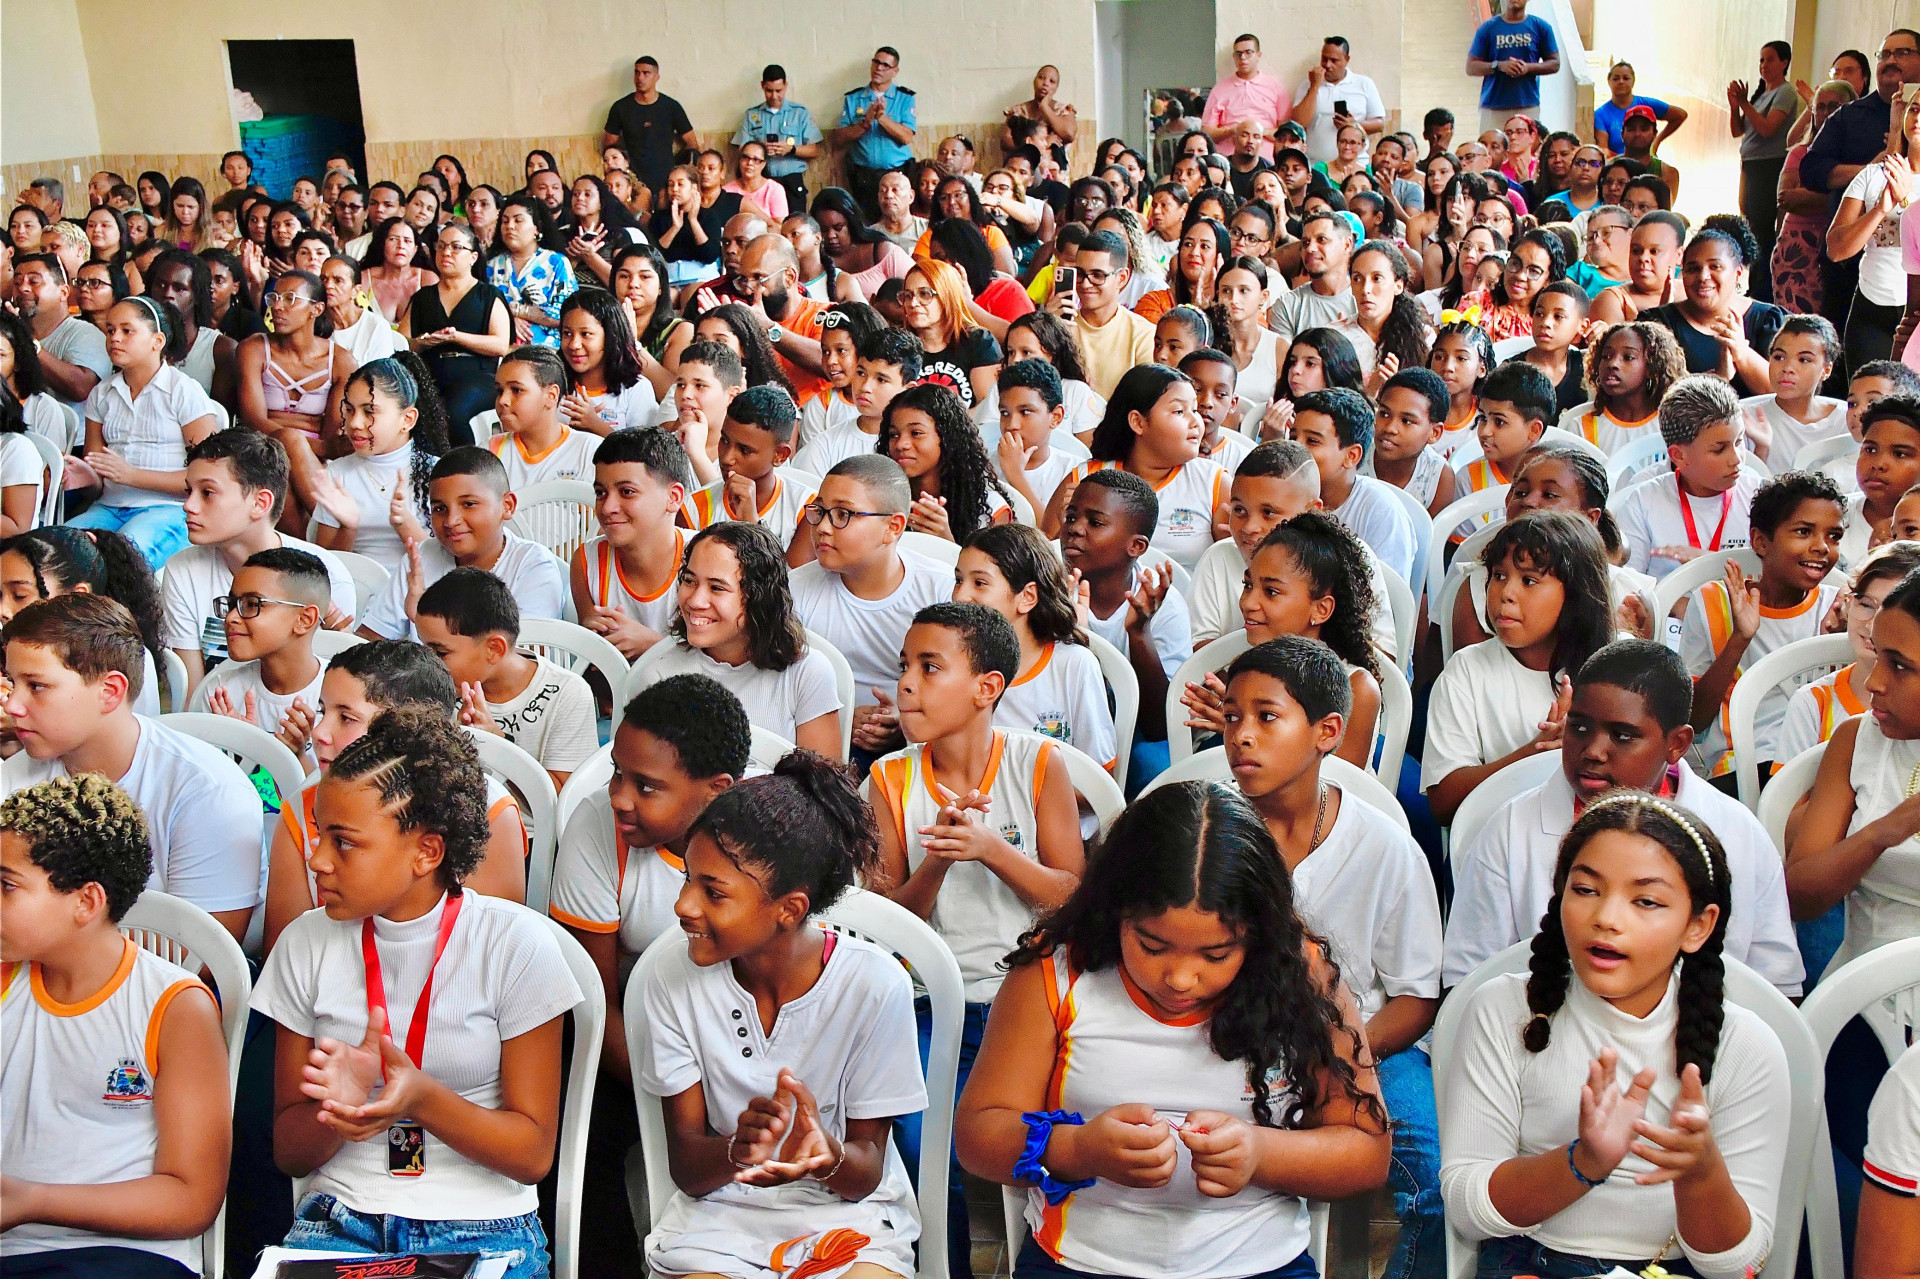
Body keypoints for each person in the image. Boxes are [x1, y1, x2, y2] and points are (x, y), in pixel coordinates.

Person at [955, 777, 1389, 1279]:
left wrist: (1262, 1153)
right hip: (1081, 1262)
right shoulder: (1055, 973)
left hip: (1257, 1262)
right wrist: (1077, 1149)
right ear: (1115, 910)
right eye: (1153, 946)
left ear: (1257, 935)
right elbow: (978, 1136)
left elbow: (1366, 1151)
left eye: (1217, 954)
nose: (1181, 978)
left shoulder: (1301, 974)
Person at [253, 705, 578, 1278]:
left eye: (345, 842)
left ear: (427, 852)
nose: (317, 859)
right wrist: (337, 1112)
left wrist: (420, 1099)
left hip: (484, 1227)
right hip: (341, 1220)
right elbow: (288, 1151)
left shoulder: (514, 943)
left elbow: (531, 1156)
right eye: (318, 833)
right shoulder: (306, 943)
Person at [1439, 793, 1791, 1279]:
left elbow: (1740, 1266)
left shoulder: (1746, 1047)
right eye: (1585, 890)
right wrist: (1584, 1162)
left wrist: (1701, 1172)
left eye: (1646, 901)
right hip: (1531, 1260)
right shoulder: (1504, 1012)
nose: (1606, 917)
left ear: (1697, 925)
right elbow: (1466, 1207)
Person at [635, 746, 928, 1279]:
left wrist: (823, 1155)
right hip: (717, 1221)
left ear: (788, 909)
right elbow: (688, 1168)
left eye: (714, 892)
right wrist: (738, 1148)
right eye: (686, 878)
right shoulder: (669, 978)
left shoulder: (874, 984)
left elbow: (864, 1174)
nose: (684, 906)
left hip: (848, 1220)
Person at [1212, 637, 1442, 1277]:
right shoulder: (1206, 835)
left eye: (1266, 716)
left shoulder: (1384, 847)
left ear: (1328, 732)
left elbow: (1417, 998)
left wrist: (1342, 1054)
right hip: (1225, 1040)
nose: (1241, 737)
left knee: (1434, 1177)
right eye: (1231, 717)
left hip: (1367, 1044)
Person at [870, 600, 1085, 1274]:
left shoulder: (1038, 764)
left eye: (930, 667)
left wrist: (992, 848)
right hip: (934, 1002)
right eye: (905, 665)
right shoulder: (889, 779)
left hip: (1033, 1007)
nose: (907, 682)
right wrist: (938, 854)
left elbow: (1074, 897)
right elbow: (888, 922)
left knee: (1063, 1132)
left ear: (987, 686)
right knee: (919, 1139)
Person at [1445, 637, 1803, 993]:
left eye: (1622, 736)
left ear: (1676, 744)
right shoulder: (1509, 831)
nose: (1594, 751)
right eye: (1580, 727)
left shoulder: (1738, 832)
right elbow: (1467, 980)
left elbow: (1775, 988)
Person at [0, 773, 231, 1279]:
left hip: (125, 1256)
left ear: (86, 902)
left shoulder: (174, 1007)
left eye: (6, 886)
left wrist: (30, 1201)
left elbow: (191, 1199)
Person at [2, 592, 264, 941]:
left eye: (36, 686)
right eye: (11, 682)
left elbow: (202, 956)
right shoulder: (15, 775)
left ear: (110, 691)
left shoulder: (209, 790)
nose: (13, 705)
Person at [1422, 511, 1615, 824]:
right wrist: (1535, 754)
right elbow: (1443, 801)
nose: (1506, 594)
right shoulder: (1468, 670)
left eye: (1529, 581)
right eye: (1499, 575)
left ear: (1575, 595)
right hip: (1496, 840)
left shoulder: (1610, 671)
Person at [1677, 470, 1845, 784]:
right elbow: (1695, 719)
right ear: (1760, 541)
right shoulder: (1714, 602)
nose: (1823, 547)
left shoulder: (1840, 607)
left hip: (1821, 763)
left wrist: (1842, 639)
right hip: (1741, 764)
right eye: (1804, 531)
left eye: (1834, 536)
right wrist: (1740, 638)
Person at [790, 455, 954, 765]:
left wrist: (903, 716)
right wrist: (839, 718)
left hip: (921, 744)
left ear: (892, 527)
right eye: (820, 511)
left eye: (843, 514)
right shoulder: (795, 592)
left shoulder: (940, 591)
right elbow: (782, 687)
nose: (823, 527)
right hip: (823, 739)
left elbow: (956, 687)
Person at [167, 429, 353, 685]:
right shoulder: (182, 569)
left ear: (260, 503)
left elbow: (324, 692)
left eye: (207, 493)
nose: (188, 505)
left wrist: (337, 640)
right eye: (189, 492)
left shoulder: (322, 574)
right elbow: (192, 690)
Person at [414, 567, 596, 793]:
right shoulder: (436, 687)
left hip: (532, 827)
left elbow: (564, 799)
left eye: (441, 653)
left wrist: (497, 745)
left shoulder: (567, 694)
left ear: (494, 649)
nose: (429, 662)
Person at [67, 297, 218, 569]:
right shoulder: (102, 393)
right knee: (53, 547)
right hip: (109, 507)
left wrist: (132, 476)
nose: (115, 338)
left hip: (170, 509)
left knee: (124, 558)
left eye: (127, 331)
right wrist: (88, 477)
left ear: (157, 341)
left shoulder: (183, 390)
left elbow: (210, 476)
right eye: (111, 330)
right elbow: (99, 476)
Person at [356, 447, 566, 642]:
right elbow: (369, 640)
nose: (451, 520)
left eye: (468, 504)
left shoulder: (532, 566)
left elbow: (518, 658)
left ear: (507, 506)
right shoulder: (420, 558)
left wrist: (423, 622)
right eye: (440, 508)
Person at [1044, 364, 1225, 573]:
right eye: (1179, 411)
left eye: (1194, 410)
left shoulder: (1214, 483)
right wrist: (1067, 525)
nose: (1196, 421)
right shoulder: (1084, 480)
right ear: (1138, 422)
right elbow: (1047, 561)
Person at [307, 355, 447, 583]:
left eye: (369, 411)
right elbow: (325, 567)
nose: (354, 423)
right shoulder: (339, 474)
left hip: (421, 593)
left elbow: (448, 562)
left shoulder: (438, 472)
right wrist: (348, 527)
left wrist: (405, 524)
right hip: (356, 595)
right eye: (349, 410)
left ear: (407, 419)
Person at [188, 547, 328, 768]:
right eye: (232, 604)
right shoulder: (221, 691)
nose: (232, 617)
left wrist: (294, 757)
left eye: (252, 604)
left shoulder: (342, 700)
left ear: (304, 619)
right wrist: (246, 749)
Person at [1830, 87, 1919, 375]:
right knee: (1866, 405)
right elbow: (1836, 249)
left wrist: (1906, 200)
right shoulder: (1873, 175)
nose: (1918, 117)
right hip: (1870, 306)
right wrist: (1881, 208)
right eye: (1914, 109)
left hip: (1915, 314)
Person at [1293, 385, 1418, 584]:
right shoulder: (1285, 494)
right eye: (1293, 438)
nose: (1295, 448)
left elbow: (1386, 594)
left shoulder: (1382, 510)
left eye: (1312, 441)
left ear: (1351, 456)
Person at [1649, 225, 1784, 398]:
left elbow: (1783, 394)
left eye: (1715, 266)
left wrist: (1741, 352)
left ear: (1738, 273)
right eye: (1693, 268)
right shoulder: (1659, 322)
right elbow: (1652, 395)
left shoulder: (1769, 320)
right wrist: (1719, 379)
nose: (1703, 276)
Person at [237, 269, 354, 467]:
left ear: (316, 309)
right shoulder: (253, 349)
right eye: (274, 298)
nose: (278, 306)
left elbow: (330, 436)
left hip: (313, 459)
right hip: (259, 450)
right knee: (289, 444)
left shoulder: (340, 361)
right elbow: (253, 420)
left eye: (290, 298)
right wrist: (300, 443)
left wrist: (311, 449)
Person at [1773, 80, 1857, 316]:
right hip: (1797, 248)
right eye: (1820, 107)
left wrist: (1814, 191)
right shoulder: (1800, 152)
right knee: (1797, 326)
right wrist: (1845, 195)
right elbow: (1787, 198)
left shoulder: (1857, 154)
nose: (1827, 113)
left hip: (1842, 250)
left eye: (1835, 106)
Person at [1727, 41, 1801, 302]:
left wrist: (1745, 103)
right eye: (1761, 60)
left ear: (1784, 62)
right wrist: (1735, 105)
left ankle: (1763, 288)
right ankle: (1755, 282)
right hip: (1750, 164)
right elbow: (1738, 131)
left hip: (1770, 165)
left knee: (1762, 226)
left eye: (1769, 59)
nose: (1763, 65)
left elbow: (1768, 129)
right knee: (1750, 220)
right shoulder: (1761, 94)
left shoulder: (1786, 92)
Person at [484, 345, 599, 492]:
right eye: (500, 391)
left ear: (551, 396)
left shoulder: (589, 451)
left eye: (517, 390)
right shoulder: (490, 452)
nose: (502, 400)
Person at [1741, 315, 1848, 473]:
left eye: (1804, 360)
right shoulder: (1745, 417)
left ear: (1826, 370)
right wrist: (1761, 450)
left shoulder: (1847, 420)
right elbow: (1741, 488)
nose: (1787, 368)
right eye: (1779, 357)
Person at [11, 254, 111, 416]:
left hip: (72, 440)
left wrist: (27, 342)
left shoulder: (85, 333)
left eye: (34, 282)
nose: (23, 288)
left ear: (64, 292)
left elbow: (80, 388)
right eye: (17, 283)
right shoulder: (8, 335)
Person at [555, 287, 659, 437]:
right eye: (567, 334)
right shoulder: (554, 385)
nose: (574, 344)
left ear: (611, 336)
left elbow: (640, 455)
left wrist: (595, 425)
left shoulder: (636, 389)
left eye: (586, 334)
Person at [900, 260, 1002, 409]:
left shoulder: (979, 341)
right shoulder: (899, 347)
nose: (913, 303)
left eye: (925, 294)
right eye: (907, 296)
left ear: (947, 296)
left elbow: (987, 408)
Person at [834, 47, 919, 219]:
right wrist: (866, 122)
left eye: (885, 65)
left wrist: (881, 118)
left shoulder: (905, 97)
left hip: (897, 173)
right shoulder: (854, 98)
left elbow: (906, 137)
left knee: (898, 219)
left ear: (895, 71)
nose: (879, 68)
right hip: (865, 177)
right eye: (876, 62)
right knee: (868, 222)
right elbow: (839, 139)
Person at [487, 197, 576, 350]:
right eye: (505, 221)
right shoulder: (492, 265)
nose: (510, 226)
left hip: (547, 350)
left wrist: (515, 311)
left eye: (518, 220)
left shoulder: (556, 262)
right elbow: (483, 310)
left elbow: (566, 315)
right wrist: (509, 320)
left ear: (536, 228)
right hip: (501, 349)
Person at [733, 65, 823, 212]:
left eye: (778, 91)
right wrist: (760, 149)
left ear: (786, 86)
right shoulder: (752, 115)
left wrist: (791, 149)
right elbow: (742, 149)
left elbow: (814, 150)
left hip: (792, 181)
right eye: (769, 91)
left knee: (795, 225)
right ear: (762, 86)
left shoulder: (799, 113)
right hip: (762, 181)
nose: (774, 96)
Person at [602, 55, 697, 195]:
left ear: (656, 77)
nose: (640, 77)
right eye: (637, 72)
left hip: (666, 182)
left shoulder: (671, 107)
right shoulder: (620, 108)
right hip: (632, 182)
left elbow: (692, 144)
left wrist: (675, 168)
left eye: (646, 73)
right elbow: (609, 147)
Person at [1287, 37, 1387, 165]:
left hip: (1356, 165)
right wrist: (1315, 86)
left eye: (1334, 61)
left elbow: (1380, 123)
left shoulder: (1364, 84)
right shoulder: (1308, 85)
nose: (1328, 65)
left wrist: (1353, 124)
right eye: (1324, 59)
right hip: (1316, 164)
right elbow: (1298, 123)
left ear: (1346, 60)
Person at [1466, 0, 1561, 133]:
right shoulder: (1488, 28)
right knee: (1491, 150)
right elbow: (1471, 67)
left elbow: (1555, 63)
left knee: (1526, 150)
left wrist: (1528, 68)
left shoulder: (1541, 27)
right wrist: (1498, 66)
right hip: (1493, 107)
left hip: (1527, 105)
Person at [1270, 211, 1360, 346]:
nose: (1310, 248)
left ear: (1347, 245)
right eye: (1305, 242)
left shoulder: (1366, 300)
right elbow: (1284, 363)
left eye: (1321, 239)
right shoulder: (1287, 305)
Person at [1201, 34, 1289, 162]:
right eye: (1238, 54)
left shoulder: (1275, 88)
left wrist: (1259, 131)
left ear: (1259, 55)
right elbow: (1207, 132)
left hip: (1266, 161)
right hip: (1229, 160)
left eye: (1248, 52)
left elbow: (1286, 133)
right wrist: (1234, 130)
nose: (1243, 58)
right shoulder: (1219, 90)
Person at [1593, 61, 1689, 155]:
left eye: (1626, 78)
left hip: (1648, 164)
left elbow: (1680, 115)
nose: (1621, 82)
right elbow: (1603, 150)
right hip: (1618, 165)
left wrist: (1656, 142)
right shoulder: (1600, 115)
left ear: (1633, 81)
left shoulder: (1647, 104)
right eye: (1616, 78)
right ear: (1609, 81)